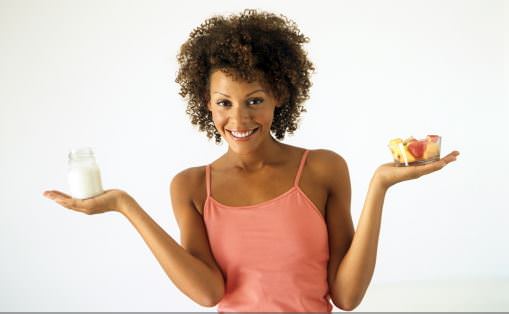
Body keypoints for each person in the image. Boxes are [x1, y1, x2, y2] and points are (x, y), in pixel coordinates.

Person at [43, 9, 459, 312]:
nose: (238, 119)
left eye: (255, 100)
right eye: (225, 103)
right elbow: (208, 294)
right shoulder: (190, 186)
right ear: (207, 103)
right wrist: (123, 205)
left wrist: (380, 186)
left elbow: (346, 297)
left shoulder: (323, 169)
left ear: (280, 96)